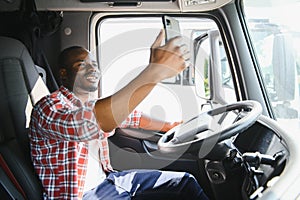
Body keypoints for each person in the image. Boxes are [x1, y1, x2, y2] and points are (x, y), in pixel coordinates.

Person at [29, 30, 208, 200]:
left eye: (94, 64)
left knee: (185, 182)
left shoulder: (91, 103)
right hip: (81, 195)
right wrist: (154, 72)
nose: (92, 69)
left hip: (109, 179)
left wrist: (170, 126)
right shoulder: (47, 107)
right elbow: (92, 122)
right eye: (82, 65)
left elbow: (131, 116)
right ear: (64, 74)